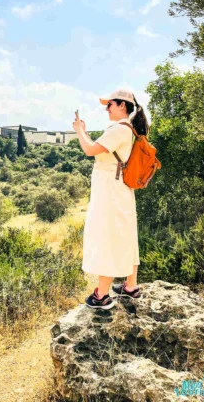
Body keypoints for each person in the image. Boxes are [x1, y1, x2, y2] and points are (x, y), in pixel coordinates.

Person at [72, 88, 150, 310]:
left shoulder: (118, 130)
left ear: (122, 105)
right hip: (120, 188)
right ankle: (130, 286)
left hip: (110, 190)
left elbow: (89, 149)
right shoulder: (127, 129)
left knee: (107, 235)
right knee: (125, 233)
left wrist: (79, 130)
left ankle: (102, 295)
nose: (106, 109)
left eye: (110, 105)